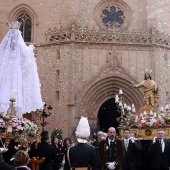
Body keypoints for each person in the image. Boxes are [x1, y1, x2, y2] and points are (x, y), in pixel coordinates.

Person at [0, 21, 43, 116]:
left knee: (4, 88)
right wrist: (31, 47)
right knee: (15, 88)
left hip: (4, 72)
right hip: (15, 72)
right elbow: (26, 53)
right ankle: (13, 116)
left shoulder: (4, 46)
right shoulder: (19, 44)